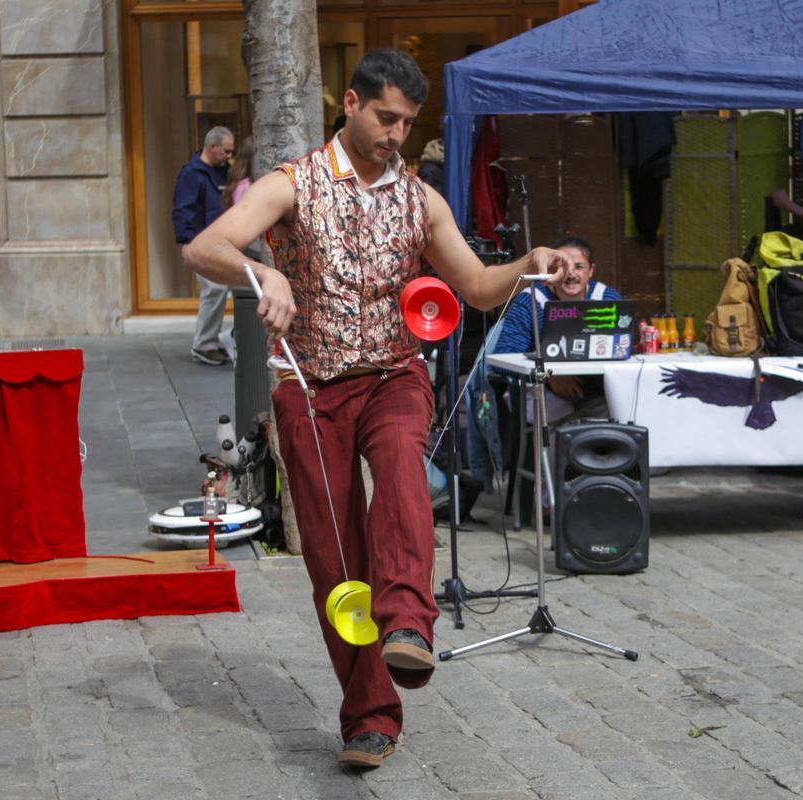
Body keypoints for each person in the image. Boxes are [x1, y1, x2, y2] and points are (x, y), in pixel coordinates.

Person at [182, 48, 567, 769]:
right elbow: (205, 247)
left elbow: (481, 286)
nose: (397, 133)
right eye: (387, 117)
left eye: (408, 123)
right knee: (335, 558)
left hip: (393, 375)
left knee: (399, 474)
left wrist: (533, 262)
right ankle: (370, 717)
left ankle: (409, 627)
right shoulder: (291, 183)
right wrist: (261, 270)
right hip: (309, 385)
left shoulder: (422, 200)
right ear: (352, 104)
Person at [491, 236, 621, 422]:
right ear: (552, 271)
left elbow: (621, 349)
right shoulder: (530, 301)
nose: (571, 274)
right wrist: (549, 377)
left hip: (595, 393)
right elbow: (502, 358)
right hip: (541, 390)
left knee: (622, 413)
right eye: (563, 267)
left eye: (579, 267)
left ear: (591, 271)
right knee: (561, 422)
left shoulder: (607, 299)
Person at [173, 126, 234, 365]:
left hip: (222, 241)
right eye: (226, 151)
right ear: (212, 147)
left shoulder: (224, 171)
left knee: (222, 288)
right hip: (201, 242)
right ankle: (204, 344)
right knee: (216, 288)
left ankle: (211, 341)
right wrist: (188, 242)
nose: (230, 156)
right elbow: (183, 210)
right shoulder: (191, 174)